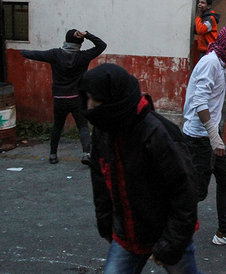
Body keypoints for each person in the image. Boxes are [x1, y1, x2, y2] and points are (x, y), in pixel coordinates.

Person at [79, 64, 202, 274]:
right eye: (87, 99)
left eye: (95, 100)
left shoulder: (158, 134)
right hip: (126, 236)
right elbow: (100, 181)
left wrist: (171, 243)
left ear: (112, 101)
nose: (89, 107)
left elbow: (185, 193)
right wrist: (106, 222)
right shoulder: (104, 132)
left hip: (168, 233)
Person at [182, 25, 226, 246]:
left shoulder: (221, 63)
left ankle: (224, 231)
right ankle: (173, 232)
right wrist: (214, 137)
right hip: (199, 138)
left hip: (211, 137)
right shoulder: (210, 63)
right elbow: (199, 102)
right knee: (197, 191)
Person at [21, 29, 107, 165]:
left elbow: (34, 54)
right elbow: (101, 45)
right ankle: (86, 154)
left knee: (57, 126)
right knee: (83, 126)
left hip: (60, 97)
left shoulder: (55, 54)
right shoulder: (83, 56)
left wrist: (22, 52)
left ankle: (53, 155)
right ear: (80, 43)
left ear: (66, 40)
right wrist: (87, 34)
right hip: (77, 98)